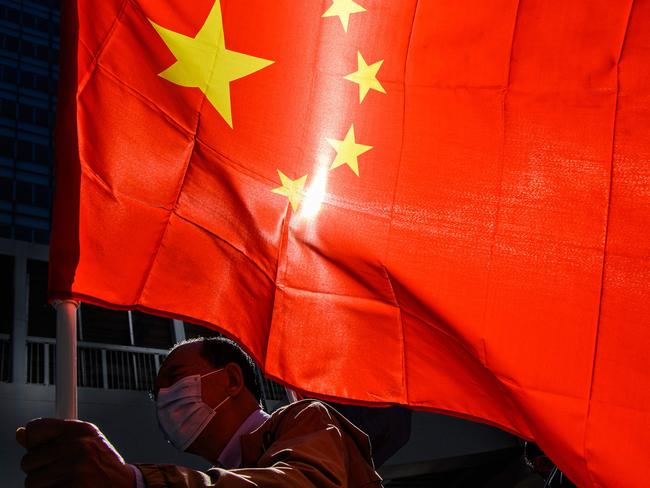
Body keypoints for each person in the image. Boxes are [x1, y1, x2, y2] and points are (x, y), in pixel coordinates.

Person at [16, 337, 384, 487]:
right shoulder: (229, 473)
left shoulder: (306, 418)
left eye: (174, 378)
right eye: (155, 392)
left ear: (232, 380)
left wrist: (137, 481)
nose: (163, 396)